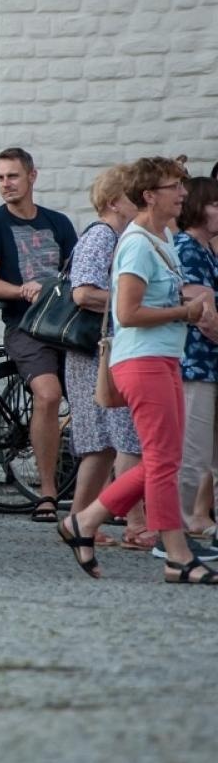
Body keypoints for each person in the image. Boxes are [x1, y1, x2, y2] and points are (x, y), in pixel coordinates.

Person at [57, 157, 218, 584]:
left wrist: (183, 306)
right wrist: (184, 311)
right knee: (163, 461)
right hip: (142, 361)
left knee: (166, 458)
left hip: (163, 358)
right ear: (149, 195)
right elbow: (126, 312)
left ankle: (84, 520)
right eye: (174, 186)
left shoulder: (161, 237)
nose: (183, 193)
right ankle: (177, 556)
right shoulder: (137, 245)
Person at [0, 147, 77, 522]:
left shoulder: (58, 223)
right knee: (47, 394)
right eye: (0, 178)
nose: (6, 184)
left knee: (99, 396)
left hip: (65, 325)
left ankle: (100, 495)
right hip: (25, 325)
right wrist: (21, 290)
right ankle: (47, 492)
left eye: (12, 176)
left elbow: (76, 273)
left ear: (32, 176)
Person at [62, 165, 144, 543]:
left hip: (103, 350)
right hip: (95, 353)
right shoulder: (101, 236)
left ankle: (81, 522)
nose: (139, 201)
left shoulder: (118, 236)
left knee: (107, 443)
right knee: (110, 441)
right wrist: (130, 300)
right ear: (114, 202)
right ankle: (128, 524)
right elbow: (83, 293)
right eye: (131, 196)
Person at [173, 176, 218, 540]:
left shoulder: (206, 250)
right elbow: (204, 314)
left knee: (208, 453)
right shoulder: (187, 248)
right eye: (216, 204)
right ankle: (177, 529)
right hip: (195, 364)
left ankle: (195, 521)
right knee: (193, 452)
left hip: (209, 365)